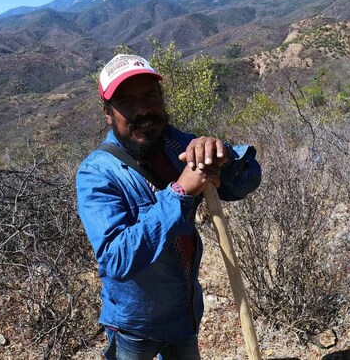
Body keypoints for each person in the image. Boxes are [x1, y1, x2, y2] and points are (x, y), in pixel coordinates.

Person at [76, 54, 262, 360]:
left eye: (150, 96)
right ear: (108, 113)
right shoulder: (97, 173)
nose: (143, 110)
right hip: (135, 325)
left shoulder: (178, 144)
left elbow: (246, 181)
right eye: (127, 102)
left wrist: (225, 158)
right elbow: (116, 258)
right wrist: (180, 192)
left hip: (185, 312)